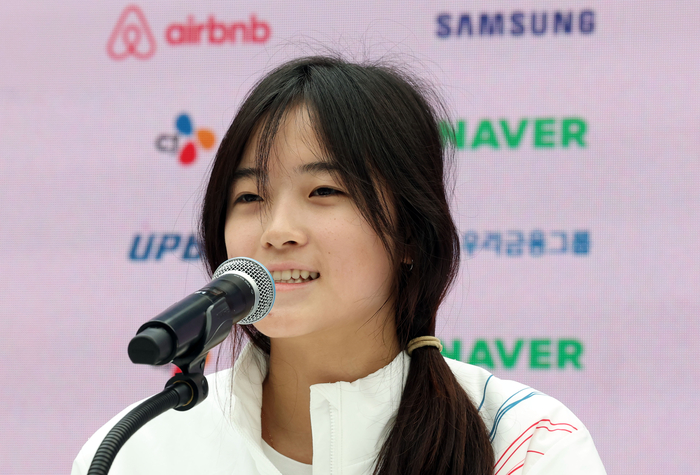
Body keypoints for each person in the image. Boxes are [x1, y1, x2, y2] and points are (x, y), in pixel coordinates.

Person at [72, 56, 607, 475]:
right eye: (250, 197)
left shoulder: (524, 444)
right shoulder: (138, 452)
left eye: (323, 191)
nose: (278, 229)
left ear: (410, 233)